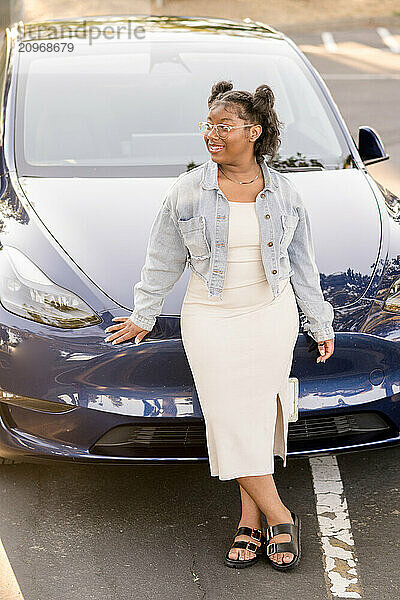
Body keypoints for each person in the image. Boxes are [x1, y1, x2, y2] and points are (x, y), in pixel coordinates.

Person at [104, 81, 335, 571]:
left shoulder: (285, 192)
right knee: (227, 413)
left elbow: (301, 265)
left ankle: (249, 521)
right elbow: (162, 258)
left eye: (223, 126)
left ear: (252, 132)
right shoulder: (187, 190)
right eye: (208, 125)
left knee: (255, 414)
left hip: (270, 312)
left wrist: (320, 323)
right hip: (210, 314)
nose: (212, 134)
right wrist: (144, 313)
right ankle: (280, 513)